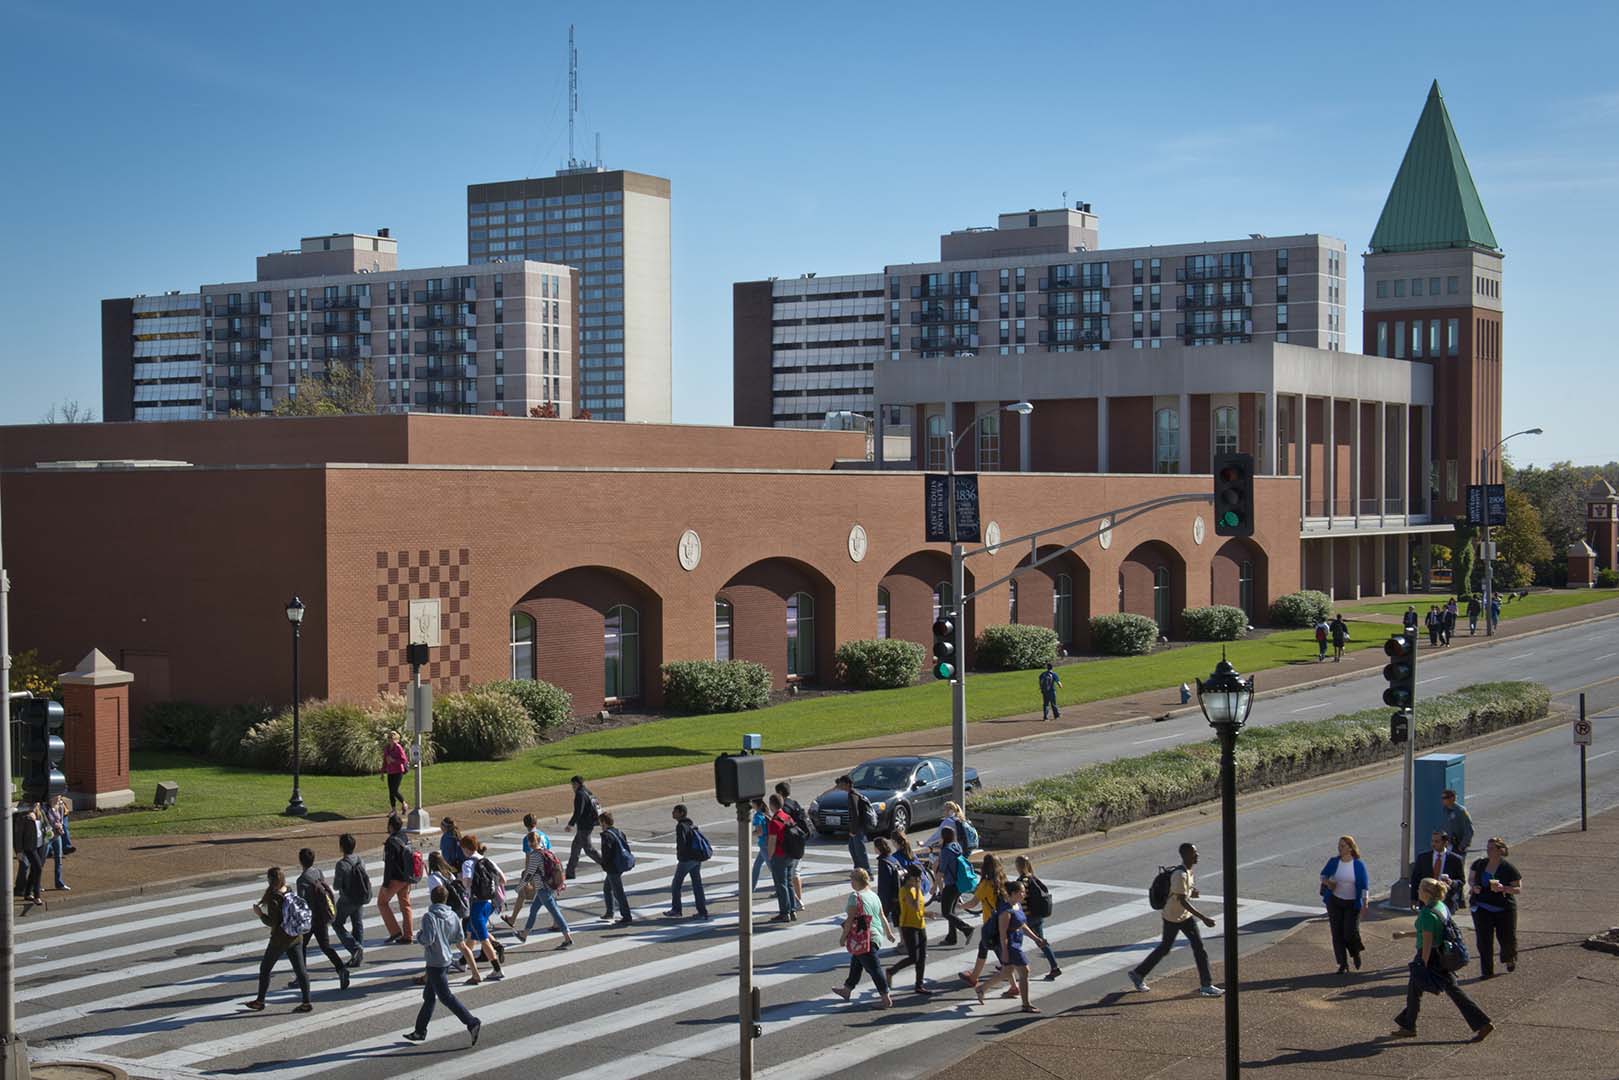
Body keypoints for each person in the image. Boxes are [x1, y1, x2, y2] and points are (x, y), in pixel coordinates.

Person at [1391, 877, 1492, 1042]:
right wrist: (1404, 935)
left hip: (1430, 957)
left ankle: (1482, 1023)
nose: (1417, 891)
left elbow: (1428, 940)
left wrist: (1422, 963)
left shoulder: (1427, 913)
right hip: (1442, 955)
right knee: (1415, 990)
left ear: (1426, 893)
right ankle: (1408, 1024)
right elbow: (1427, 932)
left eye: (1420, 889)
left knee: (1451, 992)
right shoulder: (1441, 906)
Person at [1129, 842, 1223, 997]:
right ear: (1186, 855)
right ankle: (1138, 974)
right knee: (1167, 948)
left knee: (1198, 948)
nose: (1197, 855)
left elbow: (1182, 895)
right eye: (1194, 853)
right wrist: (1204, 918)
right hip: (1173, 917)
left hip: (1183, 916)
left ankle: (1206, 985)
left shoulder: (1188, 871)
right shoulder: (1180, 874)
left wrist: (1191, 893)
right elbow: (1182, 901)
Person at [402, 885, 482, 1046]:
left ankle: (471, 1022)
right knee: (429, 997)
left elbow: (427, 939)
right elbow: (458, 937)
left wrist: (419, 936)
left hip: (434, 962)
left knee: (446, 997)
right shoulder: (452, 915)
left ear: (432, 899)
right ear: (446, 899)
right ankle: (419, 1031)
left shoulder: (429, 916)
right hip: (446, 959)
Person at [245, 866, 312, 1013]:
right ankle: (306, 1002)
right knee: (301, 971)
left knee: (265, 969)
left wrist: (260, 914)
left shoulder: (275, 899)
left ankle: (260, 1001)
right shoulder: (289, 890)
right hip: (295, 936)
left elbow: (272, 922)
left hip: (279, 940)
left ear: (270, 880)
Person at [974, 881, 1047, 1013]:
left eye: (1024, 891)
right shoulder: (1005, 911)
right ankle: (1026, 1004)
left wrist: (1036, 939)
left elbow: (1022, 925)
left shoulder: (1016, 905)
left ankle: (981, 989)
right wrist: (1005, 953)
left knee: (1007, 972)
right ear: (1012, 893)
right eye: (1021, 892)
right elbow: (1003, 935)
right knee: (1025, 971)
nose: (1024, 894)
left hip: (1016, 942)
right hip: (1010, 945)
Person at [832, 867, 894, 1009]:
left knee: (874, 968)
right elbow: (882, 916)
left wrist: (843, 937)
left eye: (851, 878)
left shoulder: (856, 897)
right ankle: (847, 990)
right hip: (875, 936)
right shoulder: (873, 895)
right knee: (856, 962)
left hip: (864, 938)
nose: (850, 881)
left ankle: (885, 998)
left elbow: (850, 920)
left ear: (856, 881)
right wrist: (889, 933)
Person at [295, 848, 352, 990]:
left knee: (300, 946)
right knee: (326, 947)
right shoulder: (318, 872)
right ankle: (341, 969)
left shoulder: (301, 880)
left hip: (310, 920)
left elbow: (302, 901)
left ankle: (301, 976)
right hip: (322, 917)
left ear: (301, 861)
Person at [1469, 837, 1522, 979]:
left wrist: (1503, 888)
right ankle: (1487, 971)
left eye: (1492, 848)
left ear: (1500, 850)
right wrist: (1474, 887)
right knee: (1483, 940)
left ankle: (1509, 958)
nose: (1488, 850)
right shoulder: (1479, 864)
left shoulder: (1507, 868)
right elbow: (1471, 879)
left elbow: (1518, 888)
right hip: (1482, 907)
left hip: (1503, 908)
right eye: (1487, 847)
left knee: (1507, 939)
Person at [510, 829, 572, 947]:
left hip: (543, 889)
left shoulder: (535, 856)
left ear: (529, 843)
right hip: (546, 887)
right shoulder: (546, 852)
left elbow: (529, 874)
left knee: (555, 912)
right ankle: (524, 935)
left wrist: (519, 887)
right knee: (533, 910)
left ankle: (567, 937)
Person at [424, 851, 479, 980]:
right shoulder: (449, 875)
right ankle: (475, 973)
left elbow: (437, 895)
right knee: (462, 945)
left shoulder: (433, 878)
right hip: (453, 913)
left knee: (435, 945)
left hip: (441, 914)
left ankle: (428, 977)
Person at [1319, 835, 1369, 973]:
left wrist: (1365, 903)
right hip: (1335, 901)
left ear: (1350, 848)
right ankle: (1342, 963)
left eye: (1343, 846)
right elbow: (1323, 875)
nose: (1340, 848)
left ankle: (1355, 952)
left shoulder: (1358, 865)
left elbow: (1364, 886)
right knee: (1337, 933)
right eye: (1339, 846)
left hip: (1352, 903)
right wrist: (1327, 882)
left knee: (1349, 933)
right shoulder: (1334, 862)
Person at [459, 834, 505, 980]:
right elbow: (503, 879)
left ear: (466, 849)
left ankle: (497, 969)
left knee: (484, 939)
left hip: (476, 904)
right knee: (472, 933)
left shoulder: (467, 864)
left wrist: (462, 881)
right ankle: (462, 962)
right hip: (489, 902)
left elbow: (466, 883)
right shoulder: (487, 860)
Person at [886, 864, 932, 994]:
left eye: (920, 879)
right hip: (908, 926)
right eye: (917, 879)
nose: (919, 881)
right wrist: (917, 890)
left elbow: (920, 909)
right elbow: (915, 907)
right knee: (914, 957)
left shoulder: (914, 888)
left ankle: (919, 985)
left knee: (922, 957)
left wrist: (927, 913)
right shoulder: (904, 891)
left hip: (920, 924)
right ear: (910, 878)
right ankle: (891, 971)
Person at [1014, 854, 1062, 979]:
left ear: (1018, 866)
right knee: (1040, 941)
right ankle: (1054, 966)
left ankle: (1007, 965)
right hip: (1037, 915)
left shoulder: (1022, 881)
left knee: (1013, 941)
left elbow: (1021, 900)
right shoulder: (1033, 877)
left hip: (1027, 918)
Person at [331, 833, 370, 967]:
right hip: (360, 897)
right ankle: (358, 956)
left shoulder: (341, 864)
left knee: (337, 923)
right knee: (357, 924)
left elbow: (336, 886)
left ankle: (355, 948)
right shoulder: (360, 860)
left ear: (341, 847)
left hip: (347, 899)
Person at [933, 825, 976, 946]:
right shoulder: (956, 846)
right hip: (958, 883)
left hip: (951, 884)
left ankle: (966, 929)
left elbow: (941, 871)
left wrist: (934, 886)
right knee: (951, 911)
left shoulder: (946, 850)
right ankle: (951, 938)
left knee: (946, 912)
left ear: (943, 837)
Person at [667, 803, 710, 920]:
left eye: (675, 811)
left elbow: (682, 843)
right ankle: (702, 911)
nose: (672, 813)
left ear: (681, 813)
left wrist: (681, 857)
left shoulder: (681, 826)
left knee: (676, 884)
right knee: (697, 884)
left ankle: (676, 909)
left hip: (687, 859)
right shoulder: (691, 824)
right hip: (696, 858)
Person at [378, 813, 416, 945]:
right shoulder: (405, 837)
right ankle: (408, 934)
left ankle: (395, 931)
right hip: (407, 877)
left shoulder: (391, 842)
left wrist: (385, 884)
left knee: (382, 903)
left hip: (395, 878)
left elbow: (389, 866)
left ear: (390, 826)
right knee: (405, 905)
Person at [1410, 830, 1464, 912]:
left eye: (1437, 841)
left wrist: (1452, 882)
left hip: (1446, 902)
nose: (1433, 844)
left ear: (1445, 842)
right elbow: (1415, 879)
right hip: (1426, 901)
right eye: (1432, 841)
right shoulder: (1423, 858)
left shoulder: (1455, 860)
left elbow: (1461, 881)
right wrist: (1413, 899)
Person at [766, 793, 801, 923]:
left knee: (781, 885)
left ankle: (784, 912)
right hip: (790, 854)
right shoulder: (787, 817)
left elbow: (772, 841)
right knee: (789, 883)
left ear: (771, 805)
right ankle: (792, 910)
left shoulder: (774, 822)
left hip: (779, 855)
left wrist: (770, 856)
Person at [775, 781, 808, 908]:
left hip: (790, 842)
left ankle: (797, 901)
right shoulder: (795, 804)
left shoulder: (784, 807)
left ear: (780, 793)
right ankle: (798, 898)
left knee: (792, 873)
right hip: (800, 840)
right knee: (796, 871)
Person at [597, 811, 634, 924]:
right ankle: (610, 912)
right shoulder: (619, 832)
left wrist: (604, 864)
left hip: (613, 867)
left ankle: (626, 915)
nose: (600, 824)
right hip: (620, 864)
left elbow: (606, 853)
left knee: (618, 892)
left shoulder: (606, 835)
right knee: (607, 888)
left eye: (600, 822)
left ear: (604, 822)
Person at [564, 775, 603, 880]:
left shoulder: (580, 794)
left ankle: (608, 865)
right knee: (575, 847)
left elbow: (578, 812)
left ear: (576, 784)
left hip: (585, 826)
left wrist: (570, 824)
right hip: (588, 824)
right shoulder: (587, 792)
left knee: (589, 850)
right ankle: (570, 872)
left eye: (572, 785)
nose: (572, 787)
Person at [836, 775, 873, 873]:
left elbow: (855, 815)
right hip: (856, 828)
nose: (840, 786)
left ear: (848, 784)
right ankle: (858, 870)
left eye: (842, 784)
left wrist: (853, 831)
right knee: (853, 849)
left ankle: (867, 872)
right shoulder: (852, 794)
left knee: (859, 851)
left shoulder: (853, 796)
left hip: (857, 828)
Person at [11, 802, 44, 907]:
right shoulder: (23, 816)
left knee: (35, 869)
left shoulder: (40, 812)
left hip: (41, 844)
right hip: (29, 846)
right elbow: (18, 834)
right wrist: (19, 851)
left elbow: (46, 826)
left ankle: (27, 892)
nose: (36, 805)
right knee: (38, 868)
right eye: (34, 803)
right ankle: (37, 895)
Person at [1440, 789, 1475, 865]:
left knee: (1458, 868)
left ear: (1452, 798)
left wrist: (1462, 846)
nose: (1443, 800)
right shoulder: (1444, 810)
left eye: (1445, 798)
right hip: (1448, 846)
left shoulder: (1460, 811)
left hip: (1458, 846)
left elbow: (1469, 830)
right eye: (1442, 798)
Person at [382, 730, 410, 817]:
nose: (390, 739)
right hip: (390, 771)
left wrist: (393, 760)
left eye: (393, 738)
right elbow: (385, 760)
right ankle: (393, 810)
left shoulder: (398, 747)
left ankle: (404, 803)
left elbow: (404, 760)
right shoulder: (387, 748)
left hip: (398, 771)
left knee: (394, 790)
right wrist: (382, 771)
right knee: (391, 792)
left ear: (396, 739)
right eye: (389, 737)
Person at [45, 795, 69, 892]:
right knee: (41, 860)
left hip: (57, 835)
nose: (59, 798)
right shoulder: (46, 808)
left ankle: (59, 883)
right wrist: (55, 825)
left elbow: (61, 820)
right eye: (57, 796)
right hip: (48, 836)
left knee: (58, 859)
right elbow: (46, 822)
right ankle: (36, 884)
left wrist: (60, 827)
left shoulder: (60, 807)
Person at [749, 797, 770, 894]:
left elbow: (760, 832)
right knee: (757, 865)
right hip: (767, 843)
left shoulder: (757, 816)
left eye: (752, 802)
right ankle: (751, 888)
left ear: (755, 804)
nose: (750, 804)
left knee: (773, 869)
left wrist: (748, 833)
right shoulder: (765, 813)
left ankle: (781, 889)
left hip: (764, 844)